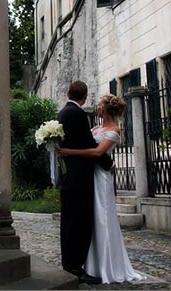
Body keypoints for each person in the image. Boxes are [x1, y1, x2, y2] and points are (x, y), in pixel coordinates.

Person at [57, 94, 145, 284]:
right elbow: (85, 143)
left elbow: (97, 152)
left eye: (99, 105)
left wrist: (68, 152)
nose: (97, 107)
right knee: (88, 219)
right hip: (87, 176)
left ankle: (106, 265)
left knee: (101, 217)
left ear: (104, 109)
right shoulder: (95, 128)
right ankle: (89, 262)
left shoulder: (114, 131)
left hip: (100, 178)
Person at [57, 80, 113, 285]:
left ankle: (68, 263)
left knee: (68, 223)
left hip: (67, 176)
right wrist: (108, 163)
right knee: (80, 223)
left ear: (67, 93)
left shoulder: (62, 113)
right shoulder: (78, 115)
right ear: (85, 96)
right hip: (79, 177)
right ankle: (75, 267)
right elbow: (89, 145)